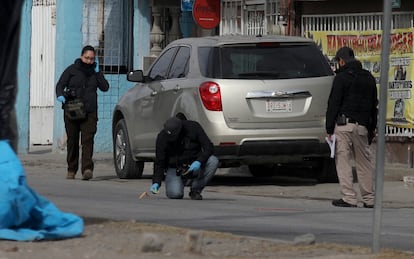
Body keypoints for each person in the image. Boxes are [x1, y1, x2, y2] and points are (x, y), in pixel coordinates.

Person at [326, 46, 378, 208]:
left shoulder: (341, 78)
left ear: (341, 61)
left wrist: (329, 128)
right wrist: (371, 129)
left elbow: (333, 104)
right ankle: (369, 199)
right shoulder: (368, 77)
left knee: (343, 161)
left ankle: (349, 197)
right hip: (362, 126)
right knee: (364, 163)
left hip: (343, 126)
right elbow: (373, 106)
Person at [56, 45, 109, 180]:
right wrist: (60, 95)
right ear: (81, 56)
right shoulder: (71, 70)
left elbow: (105, 87)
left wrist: (98, 73)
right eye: (87, 58)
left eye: (92, 59)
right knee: (72, 141)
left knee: (87, 141)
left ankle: (87, 169)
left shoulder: (95, 72)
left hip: (90, 111)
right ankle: (71, 169)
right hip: (72, 110)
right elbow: (60, 85)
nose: (89, 61)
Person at [149, 117, 219, 200]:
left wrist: (199, 161)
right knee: (175, 194)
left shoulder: (194, 127)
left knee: (213, 161)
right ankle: (181, 181)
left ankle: (195, 190)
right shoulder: (162, 137)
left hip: (194, 164)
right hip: (175, 168)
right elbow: (159, 161)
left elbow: (209, 147)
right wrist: (156, 182)